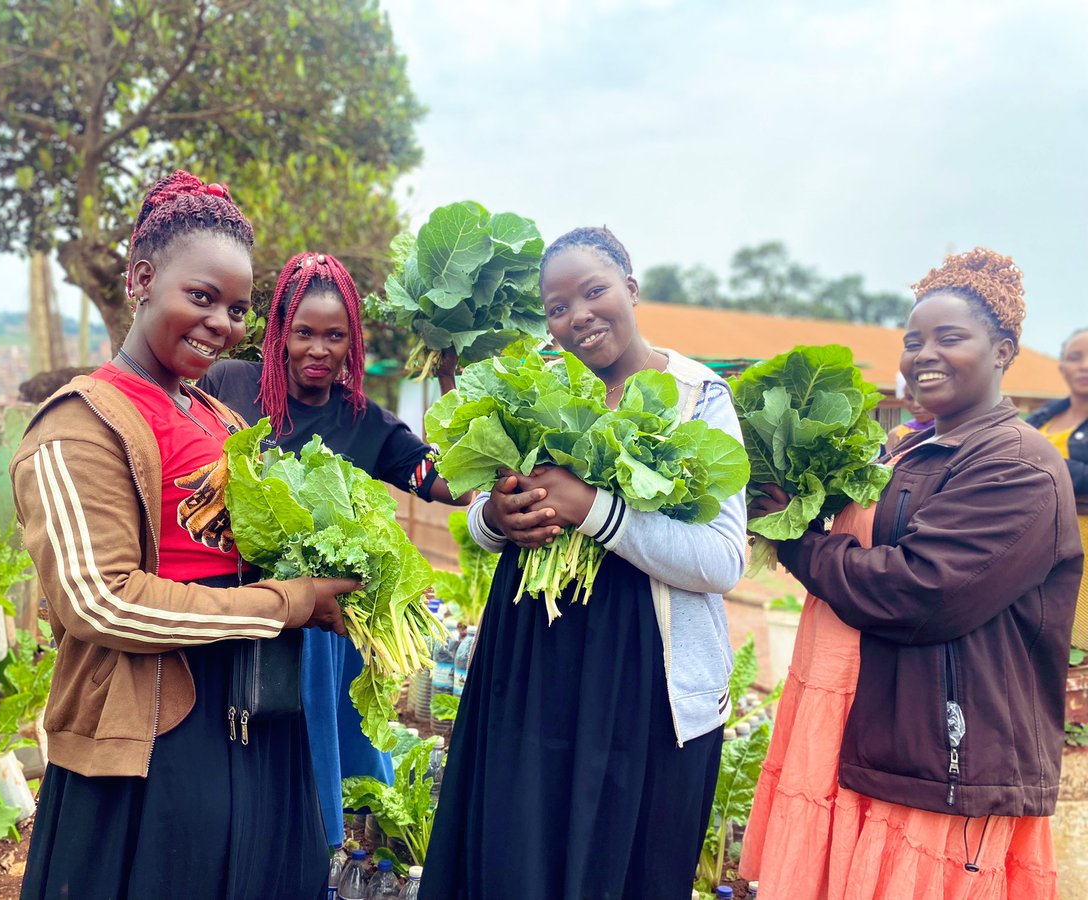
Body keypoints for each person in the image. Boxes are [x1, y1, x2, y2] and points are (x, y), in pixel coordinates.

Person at [11, 171, 359, 899]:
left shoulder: (222, 422)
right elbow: (99, 601)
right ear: (141, 279)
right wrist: (284, 603)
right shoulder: (80, 423)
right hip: (153, 746)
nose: (222, 324)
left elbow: (256, 554)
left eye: (237, 309)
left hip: (259, 718)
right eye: (201, 297)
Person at [739, 248, 1081, 898]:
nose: (923, 354)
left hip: (943, 757)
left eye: (949, 338)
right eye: (913, 340)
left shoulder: (1018, 464)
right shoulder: (906, 447)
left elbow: (922, 591)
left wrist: (797, 545)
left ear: (1003, 348)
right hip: (873, 729)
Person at [420, 227, 747, 899]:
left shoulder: (699, 397)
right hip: (530, 667)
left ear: (631, 287)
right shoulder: (532, 383)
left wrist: (596, 509)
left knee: (618, 869)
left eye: (594, 291)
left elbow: (723, 560)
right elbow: (483, 509)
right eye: (558, 306)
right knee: (517, 860)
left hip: (641, 687)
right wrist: (495, 518)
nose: (578, 316)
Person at [197, 251, 470, 847]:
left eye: (334, 336)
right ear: (279, 333)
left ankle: (313, 864)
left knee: (314, 775)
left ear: (352, 342)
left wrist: (450, 377)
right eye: (303, 333)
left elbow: (449, 483)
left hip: (325, 632)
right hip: (240, 609)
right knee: (234, 767)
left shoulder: (364, 422)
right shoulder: (230, 384)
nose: (318, 349)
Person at [1028, 327, 1088, 648]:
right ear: (1062, 366)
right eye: (1075, 358)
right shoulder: (1043, 416)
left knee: (1079, 641)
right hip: (1035, 543)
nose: (1085, 366)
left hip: (1083, 539)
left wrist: (1044, 462)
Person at [883, 373, 935, 455]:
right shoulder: (896, 434)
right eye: (909, 398)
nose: (916, 405)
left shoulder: (953, 430)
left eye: (923, 397)